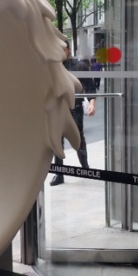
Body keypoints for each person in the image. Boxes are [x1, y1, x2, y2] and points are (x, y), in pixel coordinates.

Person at [50, 41, 96, 185]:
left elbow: (90, 87)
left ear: (68, 50)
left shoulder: (79, 66)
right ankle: (59, 174)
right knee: (57, 141)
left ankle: (85, 168)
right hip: (57, 109)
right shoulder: (52, 67)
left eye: (63, 49)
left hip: (74, 108)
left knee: (79, 138)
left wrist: (92, 104)